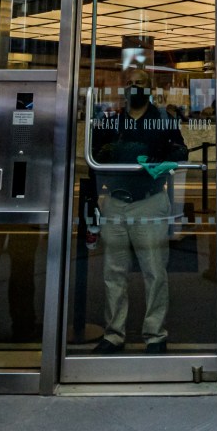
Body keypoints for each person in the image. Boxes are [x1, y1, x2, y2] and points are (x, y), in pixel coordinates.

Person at [89, 68, 190, 353]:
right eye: (130, 84)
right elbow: (94, 154)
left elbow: (181, 151)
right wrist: (98, 195)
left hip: (150, 199)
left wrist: (163, 159)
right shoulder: (111, 121)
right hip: (116, 201)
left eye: (140, 84)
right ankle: (113, 335)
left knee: (154, 272)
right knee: (113, 273)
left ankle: (155, 335)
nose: (134, 88)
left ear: (150, 88)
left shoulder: (163, 120)